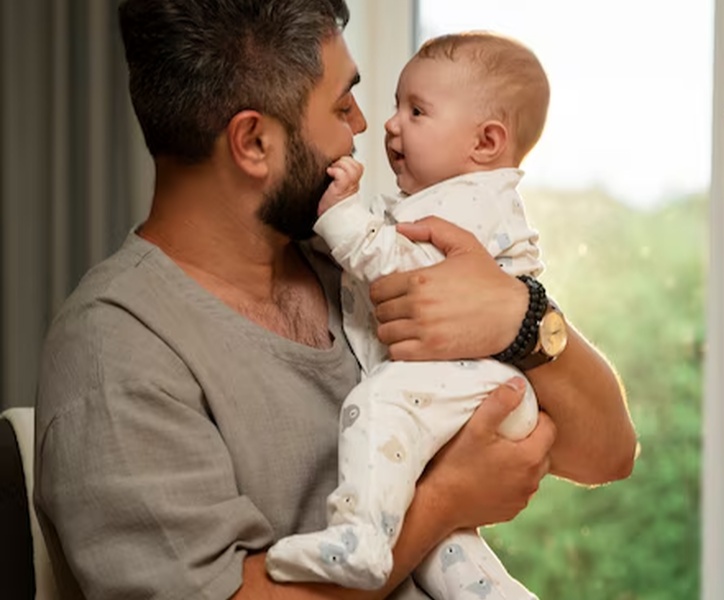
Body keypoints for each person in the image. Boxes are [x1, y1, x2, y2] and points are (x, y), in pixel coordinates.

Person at [33, 1, 637, 599]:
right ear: (253, 143)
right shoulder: (118, 350)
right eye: (341, 103)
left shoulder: (347, 266)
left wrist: (521, 317)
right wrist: (447, 500)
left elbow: (607, 453)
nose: (364, 126)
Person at [264, 32, 558, 600]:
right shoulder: (459, 200)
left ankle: (360, 536)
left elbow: (401, 270)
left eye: (416, 111)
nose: (389, 125)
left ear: (486, 142)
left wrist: (342, 218)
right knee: (445, 551)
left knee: (375, 404)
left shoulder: (471, 200)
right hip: (482, 387)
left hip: (472, 384)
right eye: (397, 104)